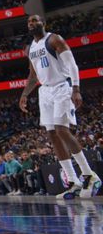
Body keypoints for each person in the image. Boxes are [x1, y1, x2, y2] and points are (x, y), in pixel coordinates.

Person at [19, 14, 101, 199]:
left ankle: (89, 175)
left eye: (35, 21)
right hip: (45, 91)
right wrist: (24, 94)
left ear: (43, 23)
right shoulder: (30, 48)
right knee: (52, 134)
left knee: (62, 129)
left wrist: (76, 88)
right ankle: (74, 181)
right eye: (29, 22)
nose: (32, 24)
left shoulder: (54, 39)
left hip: (62, 86)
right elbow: (33, 75)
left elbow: (72, 65)